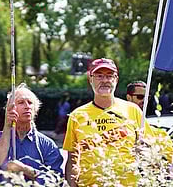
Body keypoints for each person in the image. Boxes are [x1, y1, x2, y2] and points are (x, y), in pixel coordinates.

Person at [63, 58, 161, 187]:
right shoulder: (77, 115)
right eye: (99, 76)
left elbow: (152, 150)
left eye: (109, 76)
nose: (105, 80)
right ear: (90, 80)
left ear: (116, 79)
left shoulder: (133, 110)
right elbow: (72, 160)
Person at [0, 83, 64, 185]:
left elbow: (55, 180)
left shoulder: (47, 144)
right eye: (21, 102)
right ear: (10, 108)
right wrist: (7, 125)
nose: (27, 106)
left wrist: (25, 170)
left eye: (30, 102)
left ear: (35, 109)